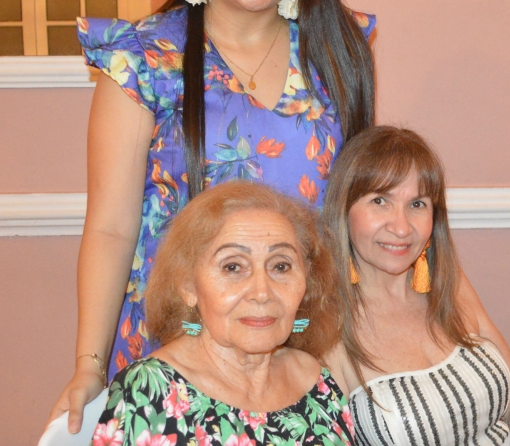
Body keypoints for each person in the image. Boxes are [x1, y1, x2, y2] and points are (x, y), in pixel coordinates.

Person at [49, 0, 375, 433]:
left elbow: (348, 219)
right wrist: (88, 368)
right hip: (172, 353)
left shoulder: (336, 54)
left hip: (297, 352)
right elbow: (111, 226)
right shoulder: (144, 59)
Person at [321, 127, 510, 446]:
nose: (401, 227)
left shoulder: (449, 282)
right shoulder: (326, 325)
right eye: (380, 200)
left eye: (417, 204)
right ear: (343, 211)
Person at [88, 180, 352, 446]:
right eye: (233, 267)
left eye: (281, 266)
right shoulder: (149, 392)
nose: (262, 292)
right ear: (188, 285)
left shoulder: (315, 381)